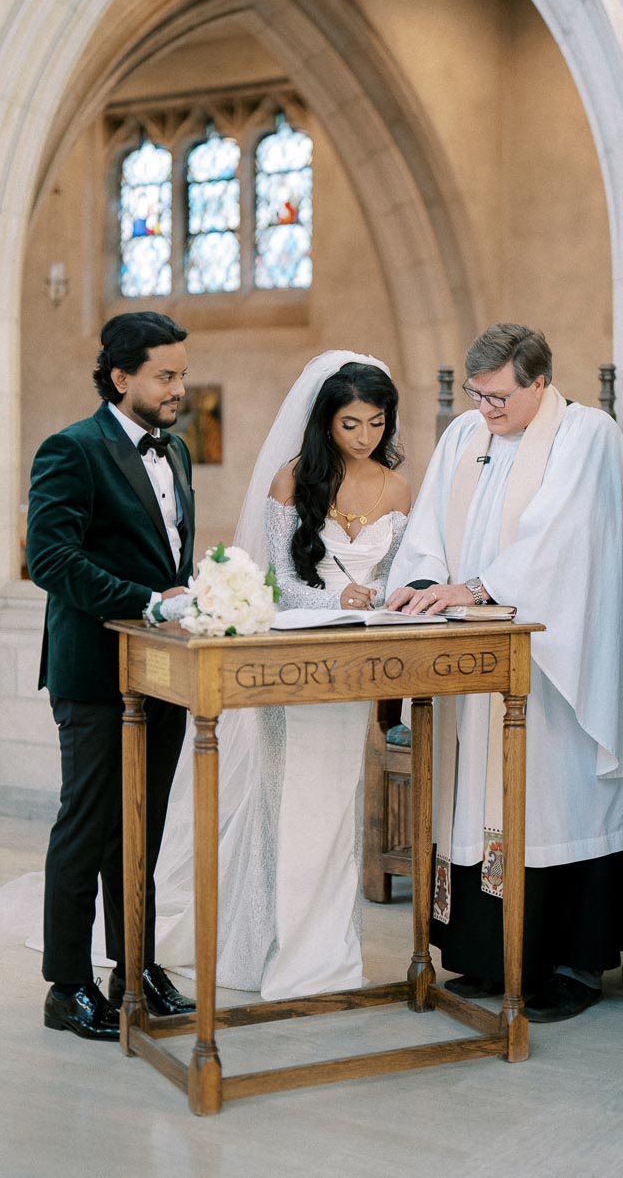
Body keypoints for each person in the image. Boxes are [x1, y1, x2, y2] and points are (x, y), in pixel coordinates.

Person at [386, 323, 623, 1022]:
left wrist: (476, 588)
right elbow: (426, 533)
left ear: (540, 382)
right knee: (473, 800)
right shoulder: (463, 438)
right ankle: (487, 954)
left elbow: (562, 540)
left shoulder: (585, 435)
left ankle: (570, 965)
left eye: (500, 396)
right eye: (478, 395)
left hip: (553, 667)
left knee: (549, 803)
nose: (486, 410)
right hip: (470, 664)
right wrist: (421, 583)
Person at [153, 351, 410, 999]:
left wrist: (383, 599)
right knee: (282, 805)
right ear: (326, 422)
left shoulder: (398, 489)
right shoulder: (290, 483)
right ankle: (268, 948)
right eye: (351, 424)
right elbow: (281, 586)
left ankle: (326, 957)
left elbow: (402, 579)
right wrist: (339, 600)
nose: (364, 438)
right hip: (290, 664)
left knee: (335, 805)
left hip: (355, 670)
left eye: (376, 424)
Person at [24, 311, 197, 1040]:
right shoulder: (72, 449)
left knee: (143, 830)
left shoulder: (177, 452)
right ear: (121, 377)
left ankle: (135, 968)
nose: (179, 388)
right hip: (94, 673)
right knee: (88, 828)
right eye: (166, 375)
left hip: (162, 675)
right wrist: (148, 602)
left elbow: (169, 557)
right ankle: (67, 986)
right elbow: (51, 560)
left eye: (182, 374)